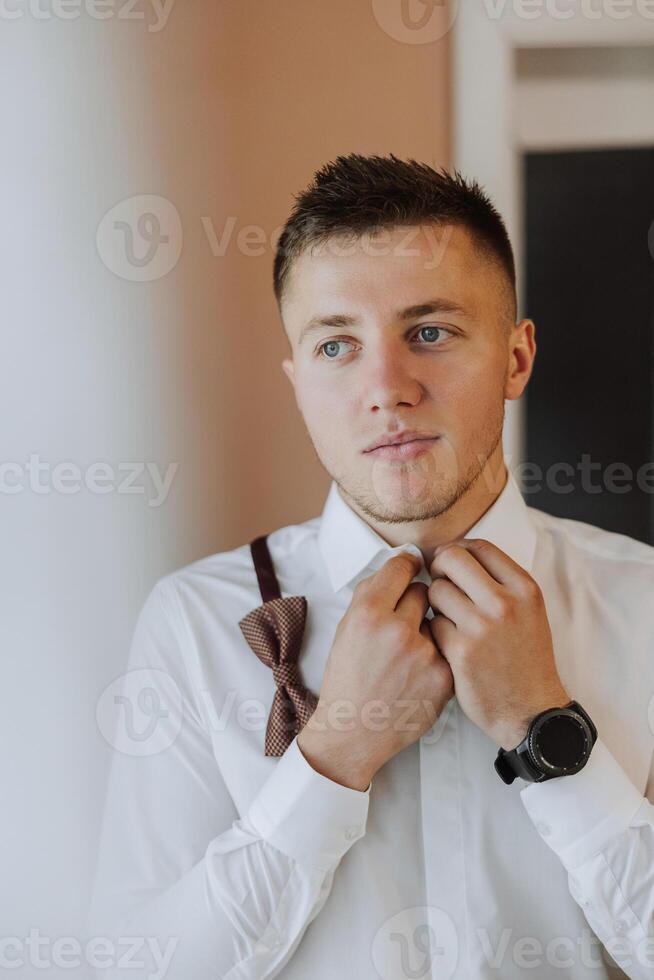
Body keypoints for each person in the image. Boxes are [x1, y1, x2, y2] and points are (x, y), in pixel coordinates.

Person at [87, 154, 654, 980]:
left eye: (430, 332)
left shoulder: (644, 604)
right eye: (336, 345)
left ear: (517, 358)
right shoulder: (193, 624)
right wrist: (335, 755)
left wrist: (547, 735)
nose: (386, 387)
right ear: (299, 382)